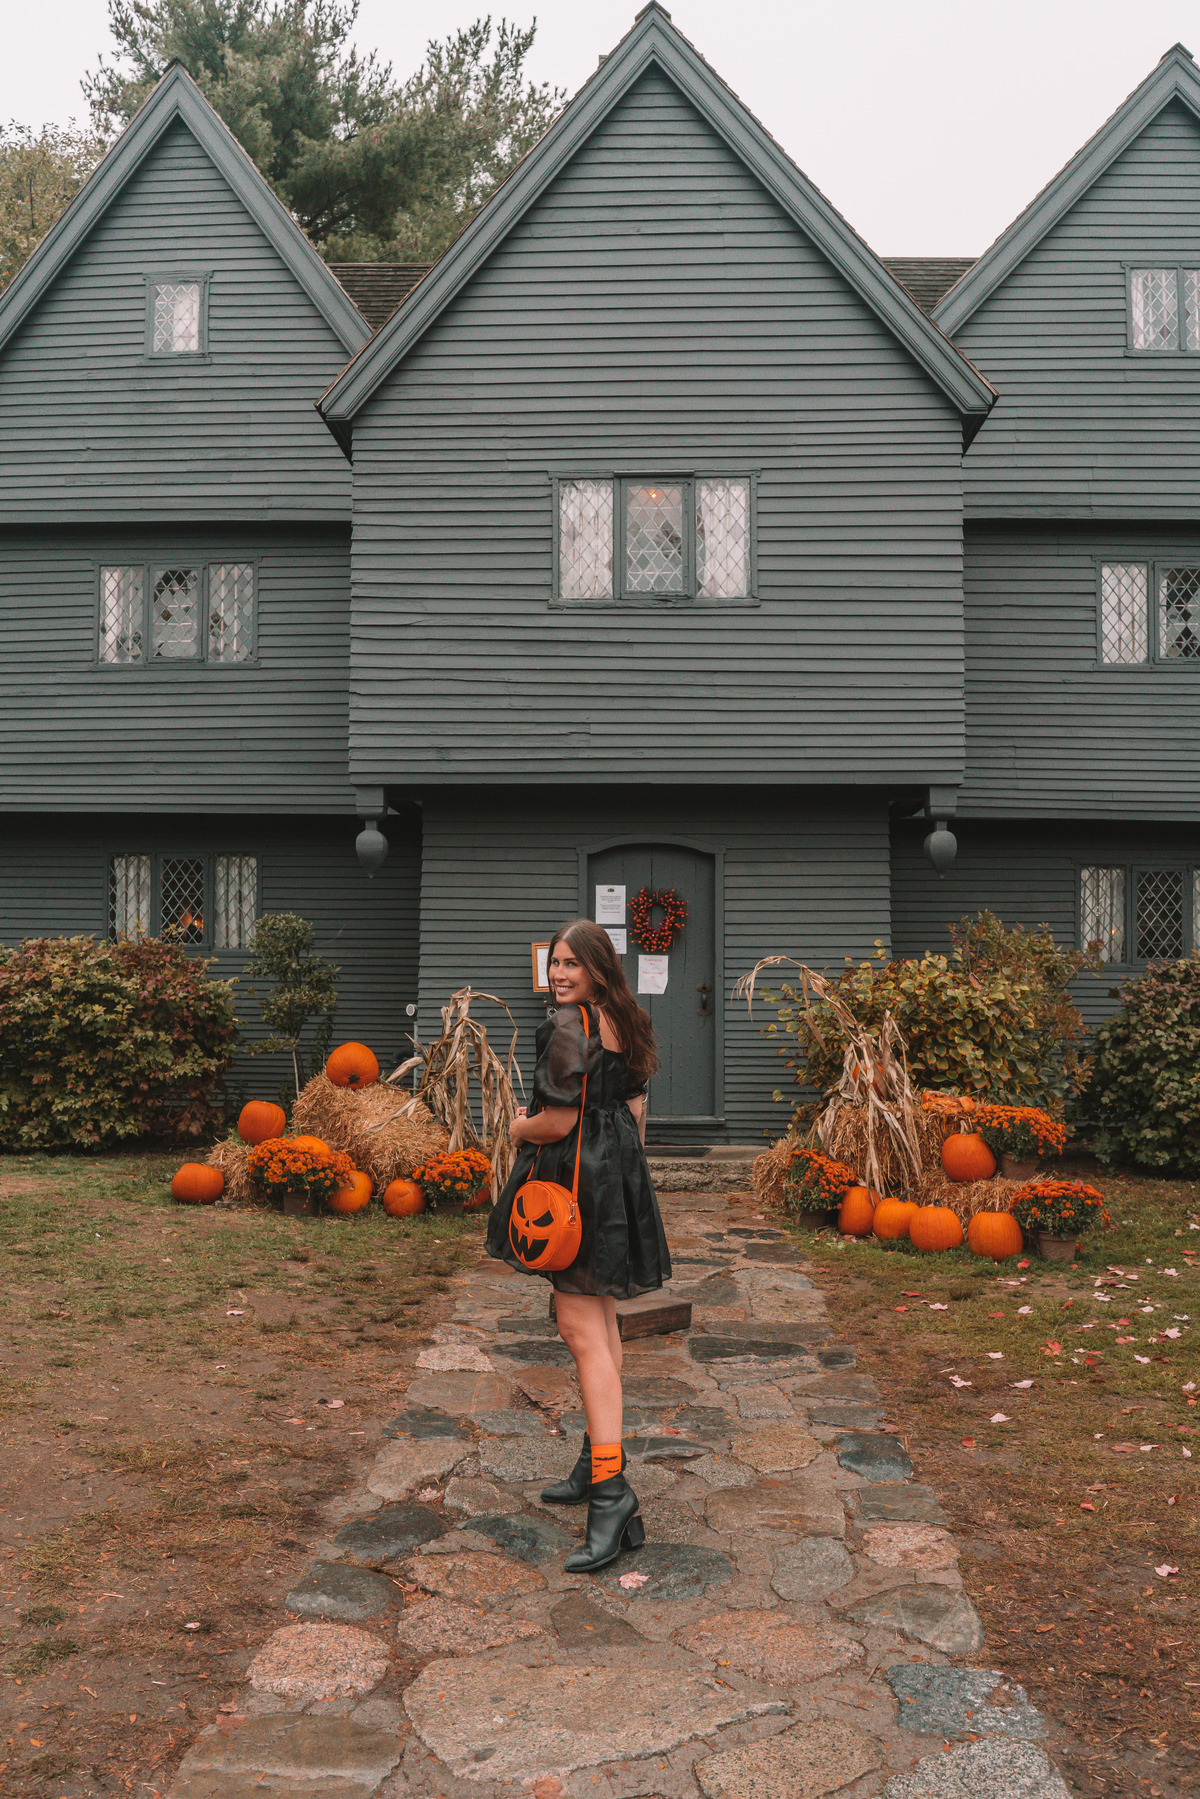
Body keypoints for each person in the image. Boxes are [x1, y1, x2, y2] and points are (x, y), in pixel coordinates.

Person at [486, 918, 671, 1571]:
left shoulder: (570, 1025)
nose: (560, 973)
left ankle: (613, 1495)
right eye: (555, 963)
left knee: (579, 1327)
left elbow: (557, 1117)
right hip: (615, 1171)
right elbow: (638, 1108)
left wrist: (515, 1126)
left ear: (597, 967)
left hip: (576, 1177)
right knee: (605, 1321)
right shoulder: (625, 1017)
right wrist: (620, 1177)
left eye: (571, 963)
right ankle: (598, 1463)